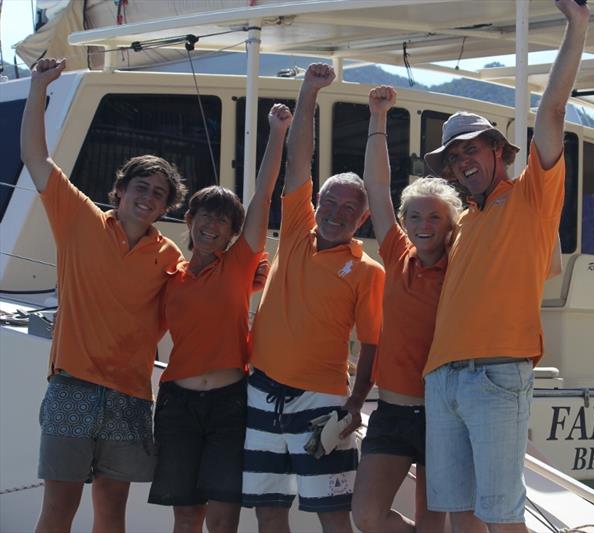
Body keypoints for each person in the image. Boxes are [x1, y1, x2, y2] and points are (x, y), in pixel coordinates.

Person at [421, 2, 590, 531]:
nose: (462, 162)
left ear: (499, 150)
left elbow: (554, 112)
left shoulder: (532, 196)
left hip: (497, 374)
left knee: (501, 515)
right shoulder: (466, 222)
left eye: (471, 149)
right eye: (453, 156)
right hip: (442, 377)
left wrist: (576, 26)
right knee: (460, 513)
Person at [21, 58, 186, 533]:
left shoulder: (168, 253)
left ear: (165, 206)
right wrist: (38, 88)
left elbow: (196, 298)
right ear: (119, 191)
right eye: (141, 187)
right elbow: (36, 157)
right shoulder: (79, 220)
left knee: (111, 511)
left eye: (159, 194)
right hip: (71, 386)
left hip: (132, 397)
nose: (149, 198)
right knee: (58, 509)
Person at [242, 63, 385, 533]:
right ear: (314, 204)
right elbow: (299, 159)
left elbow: (372, 344)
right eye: (329, 203)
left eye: (349, 209)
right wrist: (310, 91)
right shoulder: (299, 229)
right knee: (269, 511)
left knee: (332, 516)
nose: (336, 214)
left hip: (321, 405)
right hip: (260, 392)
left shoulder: (367, 271)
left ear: (361, 220)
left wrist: (355, 404)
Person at [147, 104, 292, 533]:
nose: (213, 224)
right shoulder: (167, 278)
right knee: (187, 516)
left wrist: (277, 131)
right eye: (205, 215)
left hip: (231, 403)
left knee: (224, 518)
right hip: (177, 404)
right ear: (189, 220)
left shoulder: (239, 264)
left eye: (223, 220)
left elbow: (264, 194)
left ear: (233, 233)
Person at [351, 86, 462, 533]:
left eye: (434, 217)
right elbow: (376, 187)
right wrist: (378, 117)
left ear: (452, 224)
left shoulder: (462, 267)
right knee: (367, 515)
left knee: (435, 523)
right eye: (414, 216)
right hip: (394, 411)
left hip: (444, 413)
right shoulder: (397, 252)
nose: (422, 225)